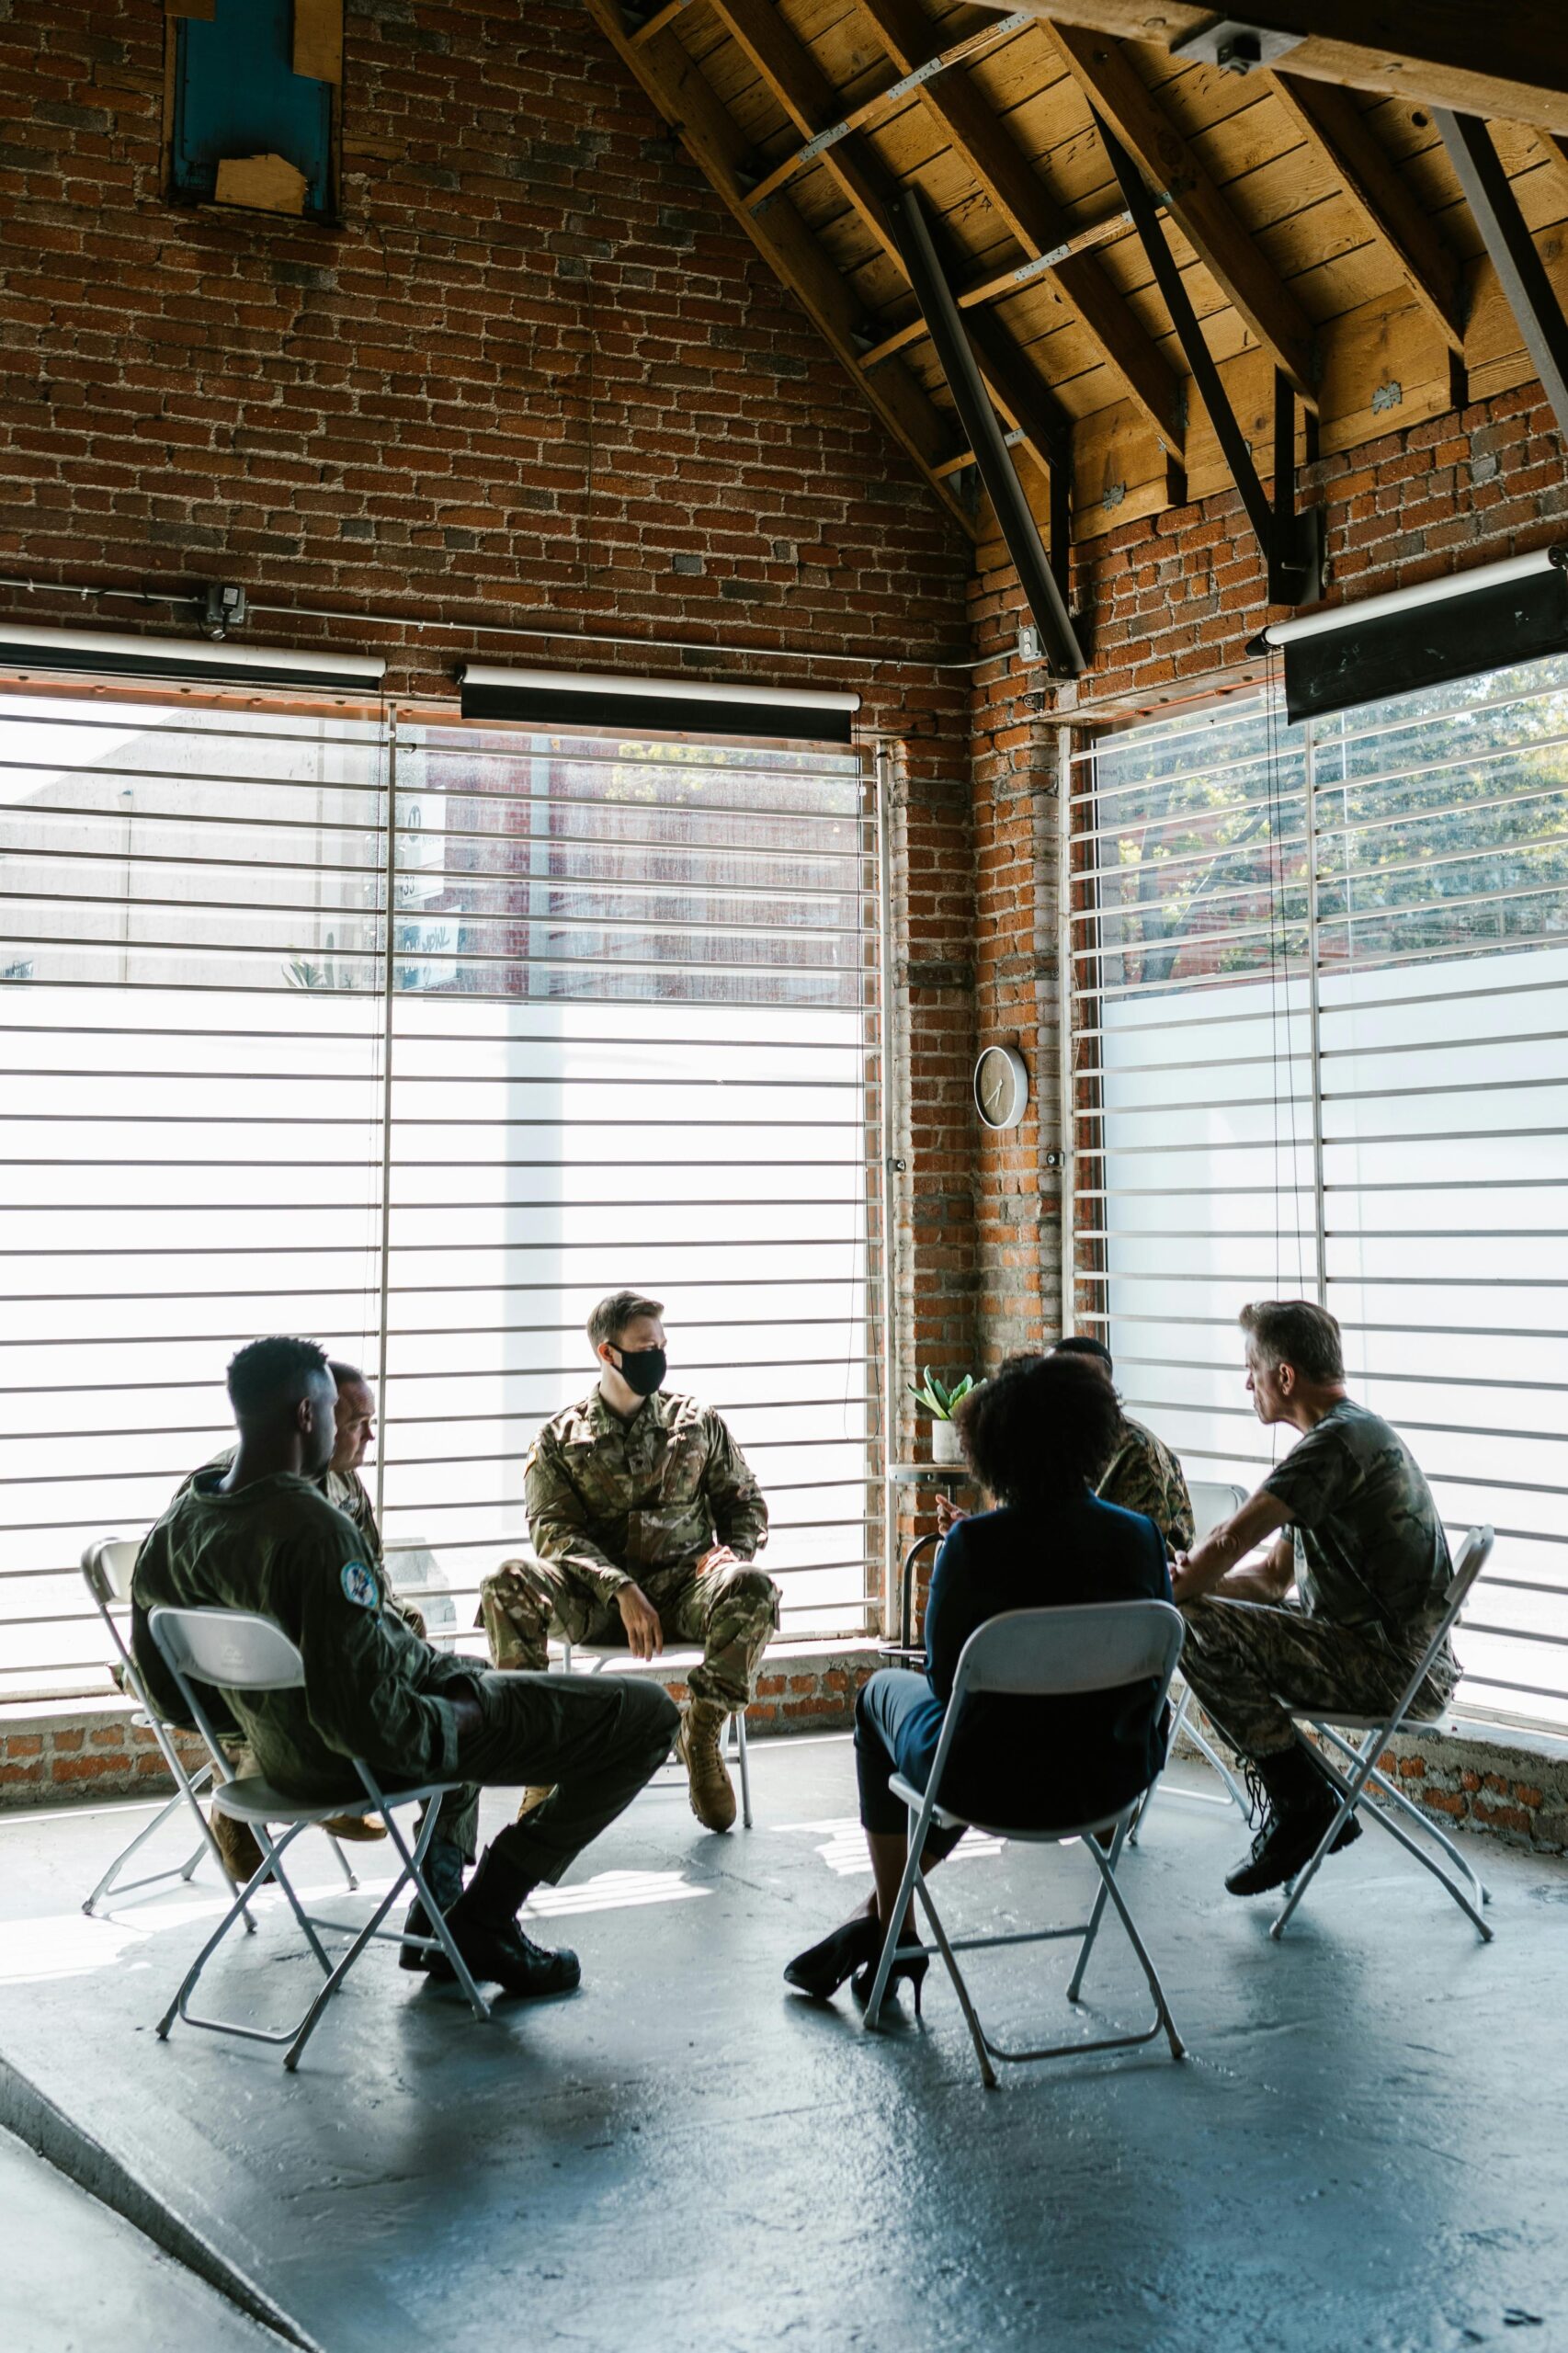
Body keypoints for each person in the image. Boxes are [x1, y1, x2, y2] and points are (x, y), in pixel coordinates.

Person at [133, 1337, 678, 1998]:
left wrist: (268, 1716)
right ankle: (486, 1915)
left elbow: (166, 1693)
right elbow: (365, 1722)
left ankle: (437, 1917)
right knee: (649, 1718)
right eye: (338, 1412)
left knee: (459, 1671)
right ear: (308, 1415)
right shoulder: (313, 1531)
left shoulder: (177, 1526)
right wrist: (462, 1715)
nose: (347, 1429)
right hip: (359, 1756)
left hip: (276, 1759)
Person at [784, 1352, 1172, 2006]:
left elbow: (943, 1683)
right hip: (1109, 1774)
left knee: (886, 1701)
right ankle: (876, 1919)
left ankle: (892, 1927)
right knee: (993, 1730)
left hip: (988, 1781)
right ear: (1095, 1436)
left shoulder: (972, 1547)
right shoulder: (1139, 1537)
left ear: (990, 1450)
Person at [1171, 1299, 1457, 1898]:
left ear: (1284, 1376)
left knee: (1186, 1627)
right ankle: (1304, 1795)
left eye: (1252, 1368)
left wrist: (1172, 1587)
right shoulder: (1347, 1433)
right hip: (1397, 1660)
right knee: (1192, 1614)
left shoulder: (1334, 1445)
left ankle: (1302, 1801)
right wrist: (1190, 1589)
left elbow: (1229, 1541)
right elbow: (1272, 1581)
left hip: (1391, 1670)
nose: (1245, 1382)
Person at [480, 1291, 776, 1835]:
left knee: (753, 1585)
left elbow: (746, 1504)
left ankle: (702, 1732)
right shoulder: (558, 1439)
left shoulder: (698, 1421)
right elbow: (554, 1533)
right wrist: (617, 1586)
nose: (657, 1358)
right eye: (645, 1347)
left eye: (662, 1346)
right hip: (597, 1603)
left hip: (686, 1593)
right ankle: (542, 1760)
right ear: (608, 1353)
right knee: (507, 1581)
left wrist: (734, 1551)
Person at [178, 1358, 420, 1871]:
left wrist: (394, 1622)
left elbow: (372, 1575)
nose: (368, 1437)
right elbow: (214, 1602)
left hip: (308, 1654)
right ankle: (306, 1775)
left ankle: (341, 1764)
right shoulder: (234, 1485)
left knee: (406, 1625)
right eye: (355, 1424)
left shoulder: (345, 1484)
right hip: (235, 1665)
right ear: (314, 1418)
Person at [936, 1336, 1195, 1556]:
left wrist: (983, 1543)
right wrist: (981, 1533)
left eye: (1065, 1383)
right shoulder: (1040, 1443)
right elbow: (1031, 1530)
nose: (1049, 1389)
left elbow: (1128, 1555)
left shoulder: (1136, 1452)